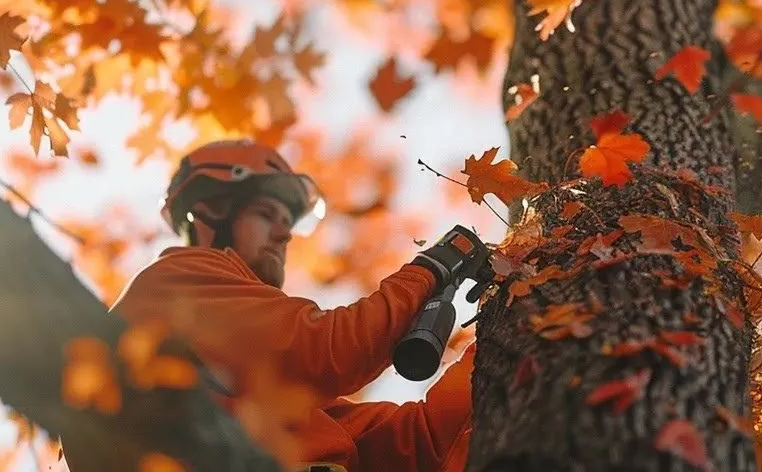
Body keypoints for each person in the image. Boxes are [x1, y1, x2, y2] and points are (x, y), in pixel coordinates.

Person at [108, 139, 483, 472]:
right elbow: (331, 348)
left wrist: (488, 356)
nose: (284, 233)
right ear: (210, 212)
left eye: (288, 222)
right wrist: (430, 270)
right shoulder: (178, 279)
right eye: (266, 214)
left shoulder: (251, 393)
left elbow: (416, 444)